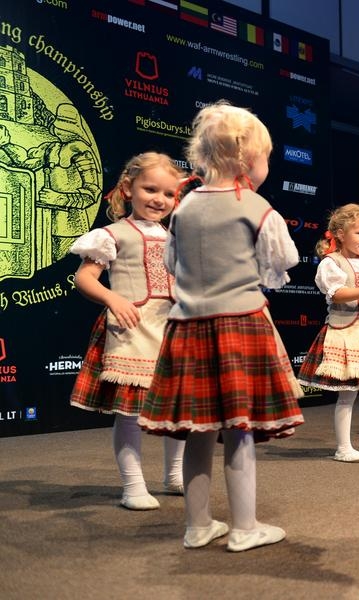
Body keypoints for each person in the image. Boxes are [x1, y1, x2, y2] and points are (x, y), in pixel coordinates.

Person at [138, 101, 304, 552]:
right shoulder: (255, 205)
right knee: (239, 428)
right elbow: (281, 264)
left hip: (188, 327)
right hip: (240, 326)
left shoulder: (185, 206)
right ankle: (245, 528)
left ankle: (197, 526)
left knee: (199, 428)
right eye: (266, 156)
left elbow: (172, 262)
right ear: (247, 158)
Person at [69, 152, 186, 510]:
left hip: (171, 328)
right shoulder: (113, 235)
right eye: (150, 189)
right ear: (127, 188)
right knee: (131, 413)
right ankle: (133, 485)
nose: (158, 199)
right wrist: (112, 299)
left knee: (177, 409)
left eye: (168, 194)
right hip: (132, 329)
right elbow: (84, 278)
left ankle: (175, 473)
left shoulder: (175, 237)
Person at [297, 204, 359, 463]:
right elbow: (337, 293)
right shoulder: (332, 263)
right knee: (348, 392)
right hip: (343, 331)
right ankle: (343, 447)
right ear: (340, 234)